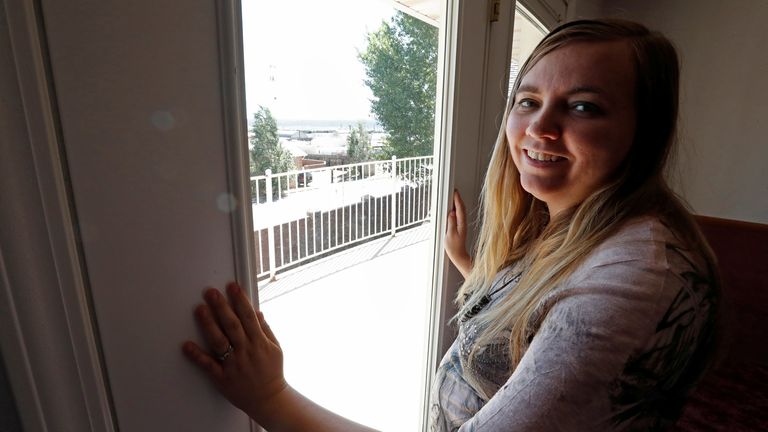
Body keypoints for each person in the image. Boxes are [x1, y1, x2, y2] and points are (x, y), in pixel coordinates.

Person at [182, 18, 718, 431]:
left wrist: (269, 397)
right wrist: (475, 269)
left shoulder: (633, 284)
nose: (540, 128)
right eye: (527, 100)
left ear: (643, 133)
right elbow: (537, 323)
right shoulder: (579, 228)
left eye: (583, 107)